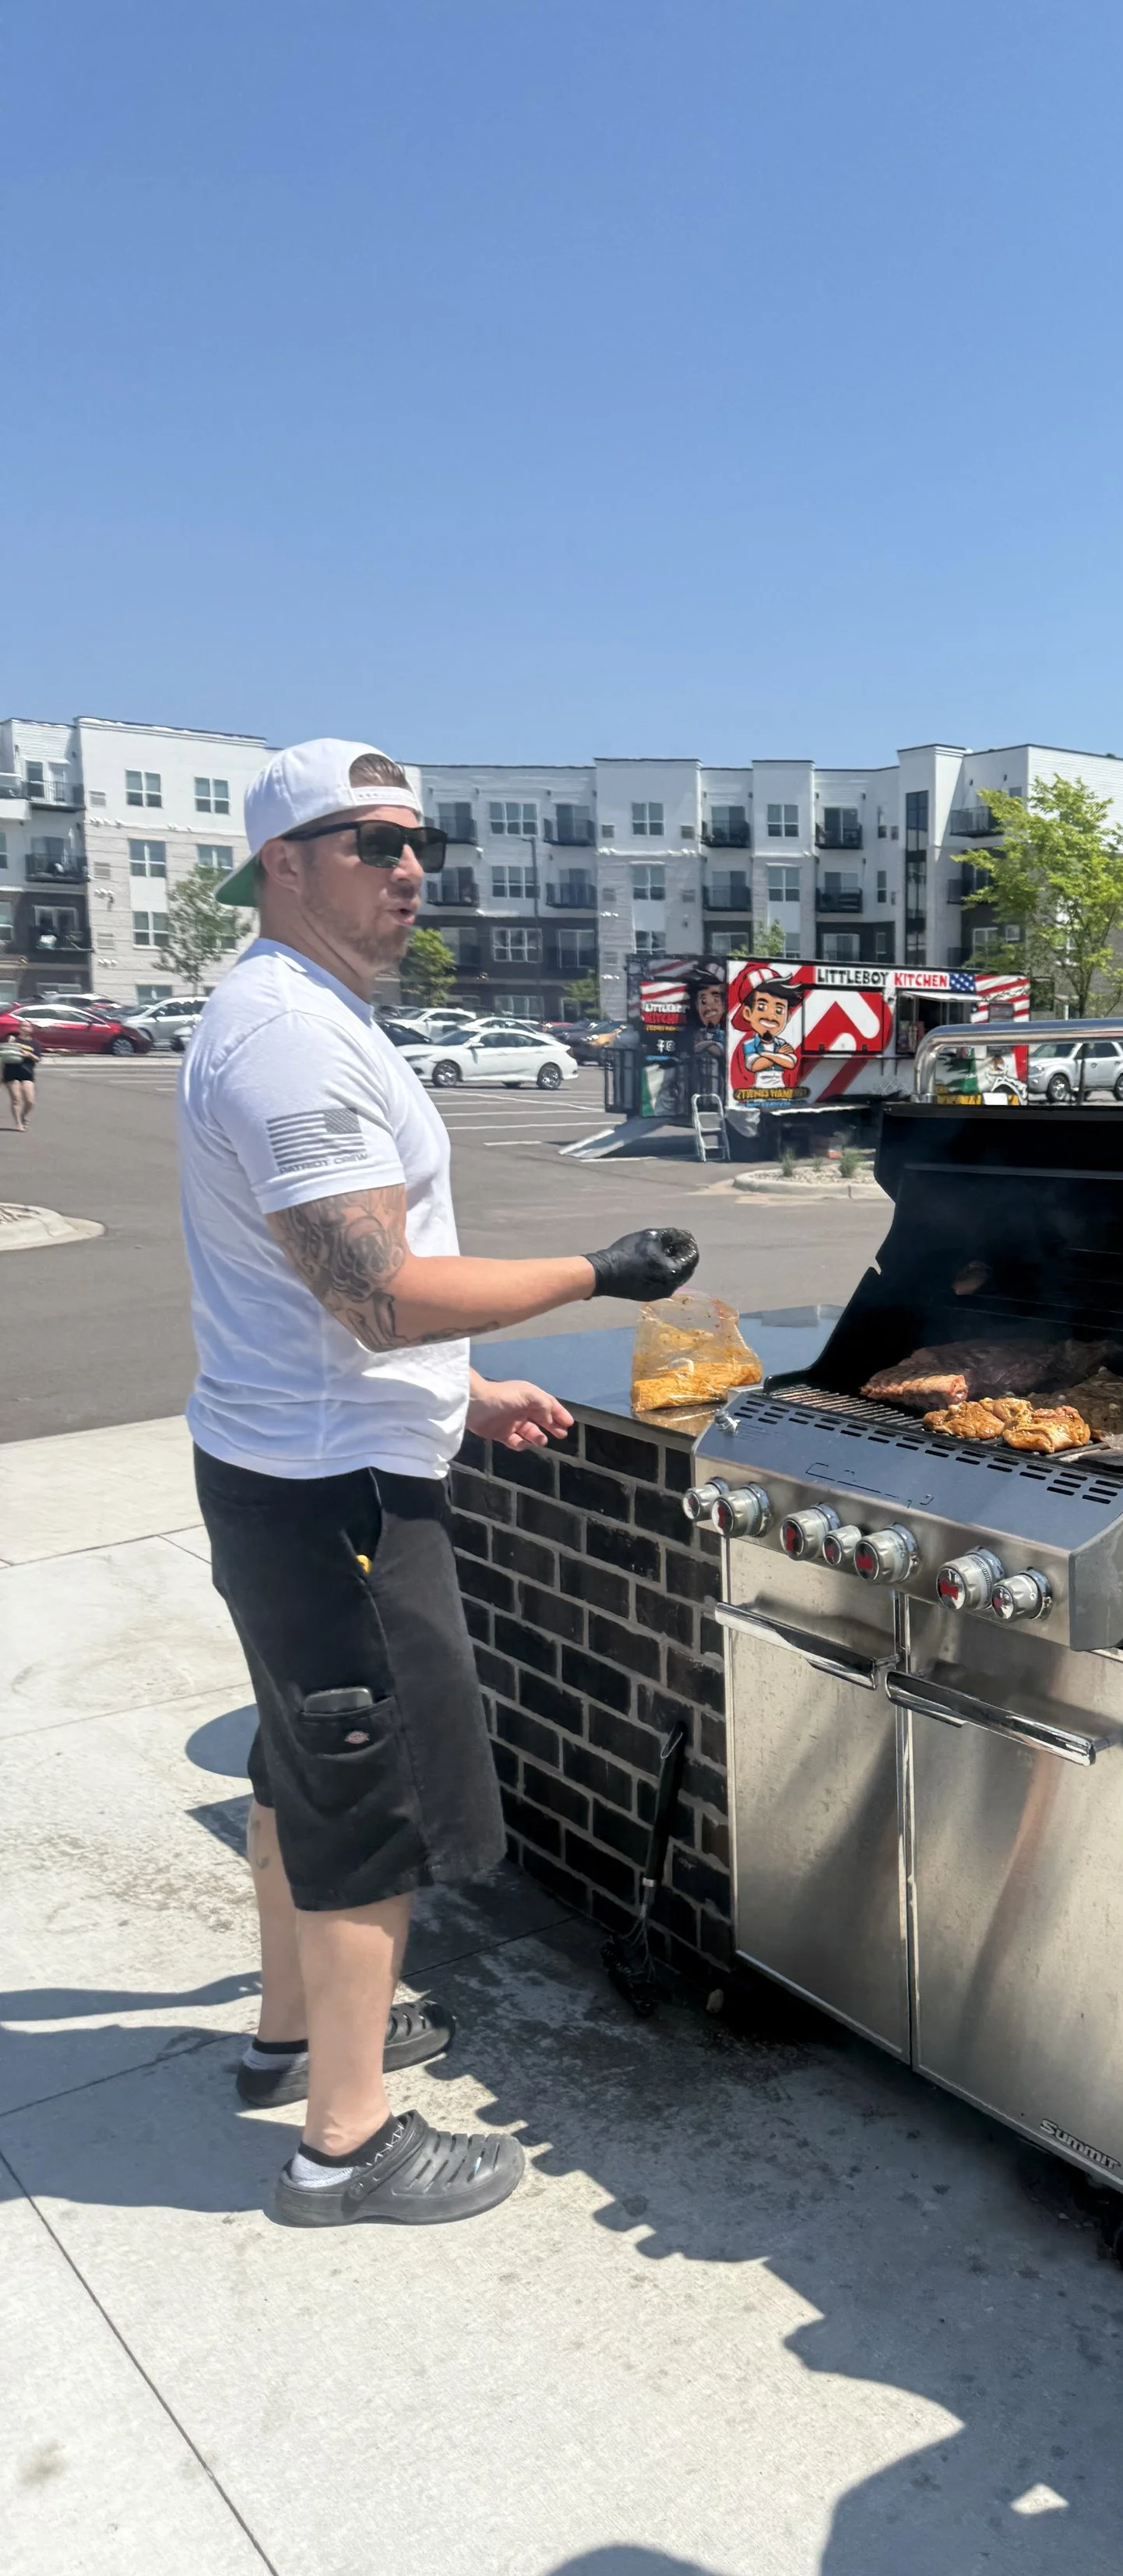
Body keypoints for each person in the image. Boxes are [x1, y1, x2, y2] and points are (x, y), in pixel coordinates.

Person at [181, 739, 699, 2230]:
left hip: (302, 1454)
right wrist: (598, 1272)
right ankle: (348, 2147)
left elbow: (327, 1304)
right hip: (331, 1491)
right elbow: (376, 1291)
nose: (411, 870)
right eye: (372, 844)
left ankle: (295, 2035)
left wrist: (464, 1394)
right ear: (284, 863)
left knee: (303, 1762)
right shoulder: (286, 1036)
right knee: (370, 1791)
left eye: (423, 846)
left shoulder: (307, 1013)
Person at [2, 1023, 38, 1129]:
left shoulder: (35, 1044)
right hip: (11, 1072)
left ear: (31, 1029)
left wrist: (30, 1054)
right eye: (22, 1026)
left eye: (27, 1026)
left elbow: (38, 1059)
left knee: (30, 1101)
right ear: (19, 1028)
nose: (24, 1028)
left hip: (27, 1073)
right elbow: (4, 1053)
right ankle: (18, 1123)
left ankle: (23, 1116)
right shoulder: (12, 1040)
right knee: (16, 1099)